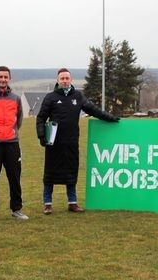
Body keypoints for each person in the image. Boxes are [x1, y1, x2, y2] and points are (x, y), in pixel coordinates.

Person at [35, 68, 120, 214]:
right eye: (62, 78)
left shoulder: (78, 96)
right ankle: (47, 204)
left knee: (71, 172)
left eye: (67, 78)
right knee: (50, 174)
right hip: (54, 143)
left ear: (71, 80)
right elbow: (41, 118)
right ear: (57, 80)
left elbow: (94, 110)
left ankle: (72, 203)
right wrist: (42, 135)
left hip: (71, 142)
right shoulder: (50, 97)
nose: (64, 81)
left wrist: (110, 118)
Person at [0, 66, 28, 222]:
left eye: (5, 77)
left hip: (12, 144)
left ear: (9, 79)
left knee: (14, 178)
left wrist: (12, 132)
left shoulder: (15, 98)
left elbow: (19, 118)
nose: (3, 79)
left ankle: (17, 209)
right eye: (0, 76)